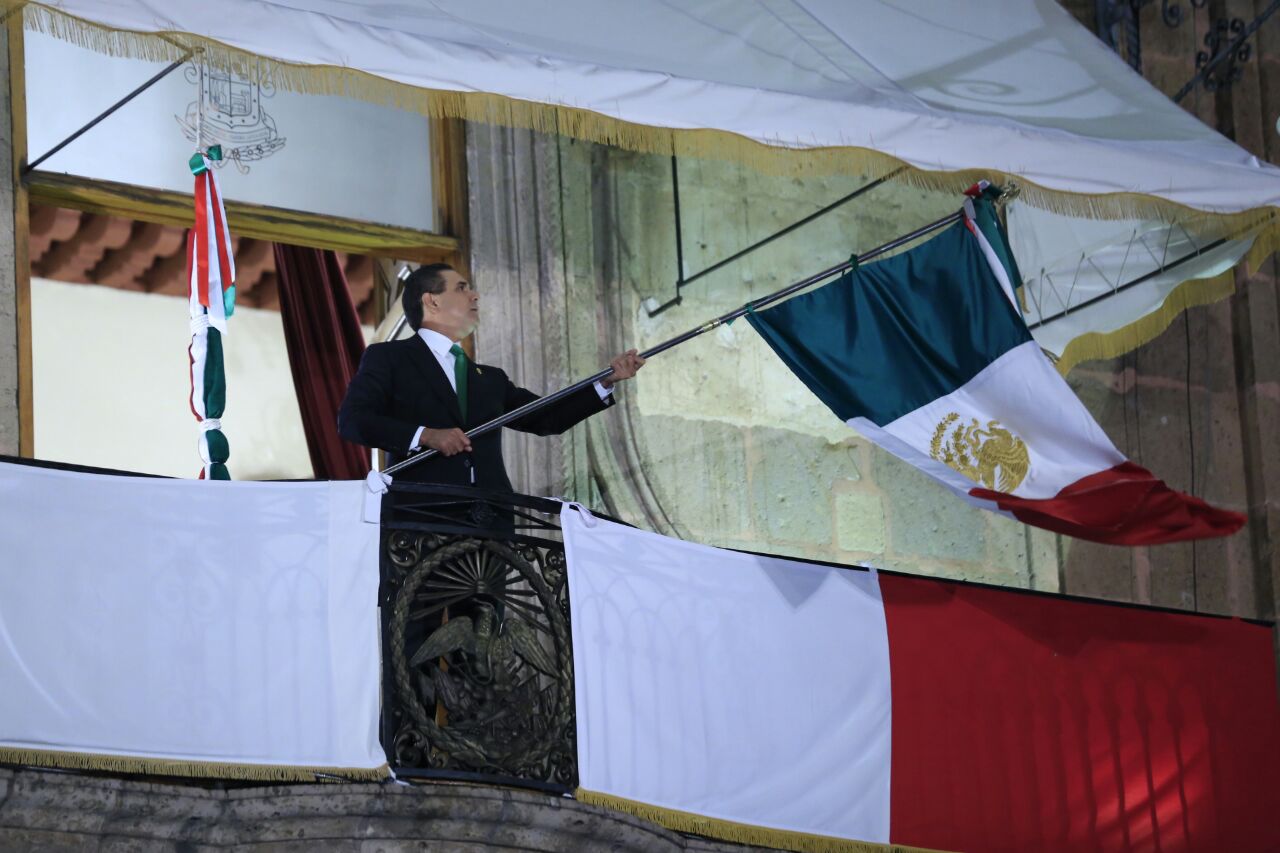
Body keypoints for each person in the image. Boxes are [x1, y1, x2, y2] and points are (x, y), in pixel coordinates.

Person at [338, 263, 645, 490]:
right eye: (461, 288)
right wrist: (426, 435)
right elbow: (353, 420)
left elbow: (545, 417)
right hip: (423, 523)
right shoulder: (390, 358)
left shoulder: (489, 379)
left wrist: (605, 381)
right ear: (432, 301)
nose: (474, 295)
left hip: (491, 528)